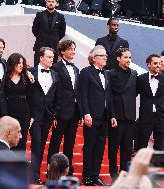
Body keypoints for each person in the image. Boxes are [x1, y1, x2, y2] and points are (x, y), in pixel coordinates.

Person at [80, 45, 116, 186]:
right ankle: (87, 176)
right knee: (90, 146)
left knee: (100, 147)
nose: (106, 57)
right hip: (92, 116)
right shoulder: (86, 72)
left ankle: (95, 175)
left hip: (105, 117)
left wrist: (112, 115)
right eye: (102, 55)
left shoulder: (106, 73)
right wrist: (86, 113)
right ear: (94, 58)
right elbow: (82, 94)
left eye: (106, 55)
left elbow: (109, 96)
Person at [47, 40, 82, 176]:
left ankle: (67, 172)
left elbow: (77, 93)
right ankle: (51, 173)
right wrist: (54, 114)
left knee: (70, 143)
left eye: (74, 49)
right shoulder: (55, 68)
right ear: (62, 51)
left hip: (73, 112)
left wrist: (79, 114)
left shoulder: (76, 69)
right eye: (70, 49)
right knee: (55, 143)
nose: (73, 51)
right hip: (60, 111)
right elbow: (54, 91)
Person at [28, 47, 61, 184]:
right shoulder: (30, 72)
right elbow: (27, 94)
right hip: (34, 115)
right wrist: (29, 114)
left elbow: (56, 96)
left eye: (52, 57)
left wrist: (54, 113)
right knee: (36, 143)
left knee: (41, 145)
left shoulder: (55, 74)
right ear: (41, 57)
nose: (51, 59)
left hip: (47, 115)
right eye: (48, 57)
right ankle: (33, 175)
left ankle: (35, 174)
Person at [108, 48, 137, 180]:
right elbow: (108, 96)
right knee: (113, 147)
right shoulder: (110, 74)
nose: (128, 60)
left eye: (130, 58)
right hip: (117, 116)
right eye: (126, 57)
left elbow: (134, 92)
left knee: (127, 148)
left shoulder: (134, 74)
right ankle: (113, 173)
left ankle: (125, 173)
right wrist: (112, 115)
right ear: (118, 58)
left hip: (130, 117)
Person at [136, 54, 164, 151]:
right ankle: (142, 165)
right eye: (155, 63)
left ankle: (157, 165)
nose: (158, 65)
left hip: (160, 117)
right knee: (142, 145)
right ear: (148, 64)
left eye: (160, 63)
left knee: (159, 146)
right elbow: (133, 94)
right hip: (145, 116)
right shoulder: (141, 79)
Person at [4, 53, 33, 152]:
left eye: (22, 63)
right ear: (12, 64)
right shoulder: (5, 78)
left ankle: (19, 166)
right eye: (18, 63)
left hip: (23, 113)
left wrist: (31, 116)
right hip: (9, 113)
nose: (21, 65)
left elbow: (30, 97)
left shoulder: (26, 78)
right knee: (9, 140)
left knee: (21, 139)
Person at [32, 0, 66, 66]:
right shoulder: (39, 15)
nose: (51, 3)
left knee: (52, 69)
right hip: (40, 46)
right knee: (37, 67)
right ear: (46, 2)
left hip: (54, 46)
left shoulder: (60, 16)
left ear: (56, 3)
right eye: (49, 1)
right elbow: (34, 30)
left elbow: (62, 32)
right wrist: (42, 37)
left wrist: (54, 39)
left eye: (53, 2)